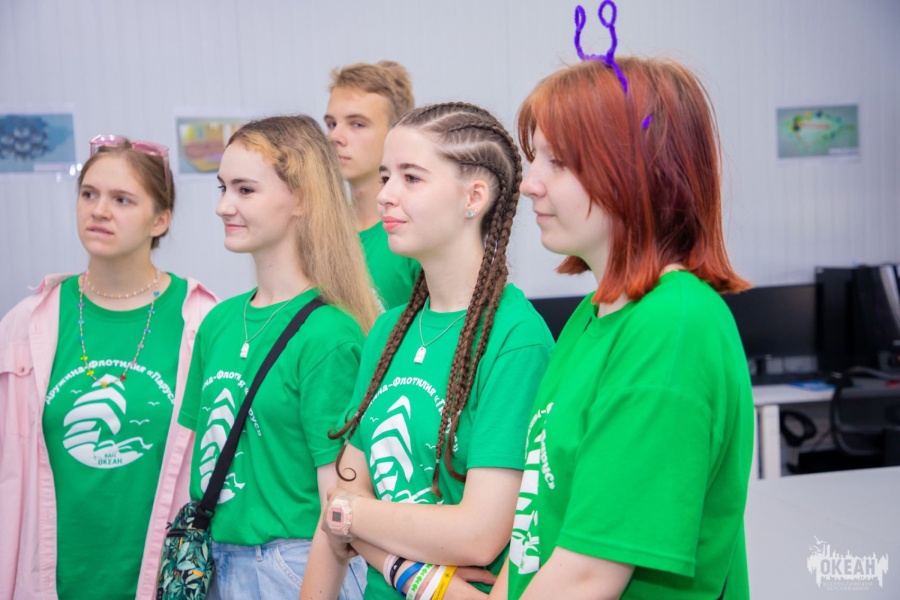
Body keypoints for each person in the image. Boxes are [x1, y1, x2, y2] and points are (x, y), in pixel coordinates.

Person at [496, 57, 755, 600]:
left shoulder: (671, 328)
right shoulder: (595, 314)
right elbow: (532, 535)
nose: (530, 184)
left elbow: (587, 576)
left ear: (639, 170)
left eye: (558, 161)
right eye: (534, 157)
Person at [300, 102, 554, 600]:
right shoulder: (390, 329)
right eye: (385, 177)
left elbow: (478, 535)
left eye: (411, 178)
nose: (385, 195)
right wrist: (389, 552)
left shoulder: (516, 338)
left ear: (473, 197)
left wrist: (353, 520)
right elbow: (340, 503)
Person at [0, 135, 217, 598]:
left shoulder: (202, 321)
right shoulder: (27, 323)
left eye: (122, 199)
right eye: (89, 194)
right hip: (49, 580)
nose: (99, 211)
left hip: (160, 581)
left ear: (160, 219)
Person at [177, 115, 379, 599]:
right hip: (214, 562)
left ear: (302, 198)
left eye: (245, 190)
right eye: (223, 187)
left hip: (294, 567)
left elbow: (340, 504)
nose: (223, 206)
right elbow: (199, 462)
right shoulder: (218, 322)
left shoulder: (329, 334)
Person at [325, 60, 420, 309]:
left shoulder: (417, 235)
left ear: (396, 133)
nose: (335, 137)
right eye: (331, 124)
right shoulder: (319, 233)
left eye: (357, 124)